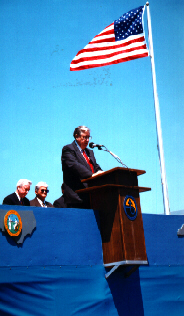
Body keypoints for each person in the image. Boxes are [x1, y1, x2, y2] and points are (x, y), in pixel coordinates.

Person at [61, 125, 103, 208]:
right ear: (77, 136)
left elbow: (96, 167)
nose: (87, 140)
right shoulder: (68, 149)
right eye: (84, 137)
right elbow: (74, 165)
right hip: (77, 197)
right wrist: (91, 175)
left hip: (92, 196)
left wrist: (104, 174)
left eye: (88, 137)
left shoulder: (89, 152)